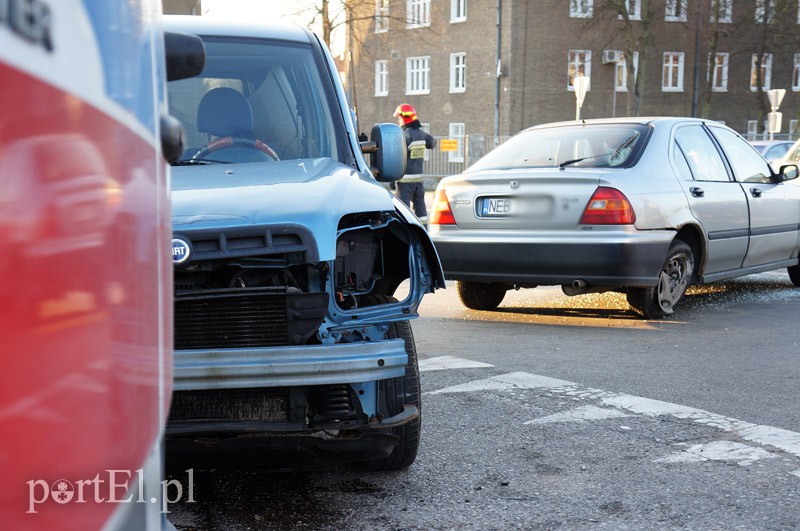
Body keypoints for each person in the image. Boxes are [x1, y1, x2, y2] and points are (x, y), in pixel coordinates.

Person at [393, 103, 436, 225]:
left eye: (399, 118)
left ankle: (406, 236)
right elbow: (432, 143)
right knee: (421, 209)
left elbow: (398, 158)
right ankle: (424, 231)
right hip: (418, 181)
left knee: (403, 210)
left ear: (405, 118)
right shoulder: (422, 134)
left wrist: (392, 177)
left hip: (404, 181)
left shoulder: (404, 135)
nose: (398, 121)